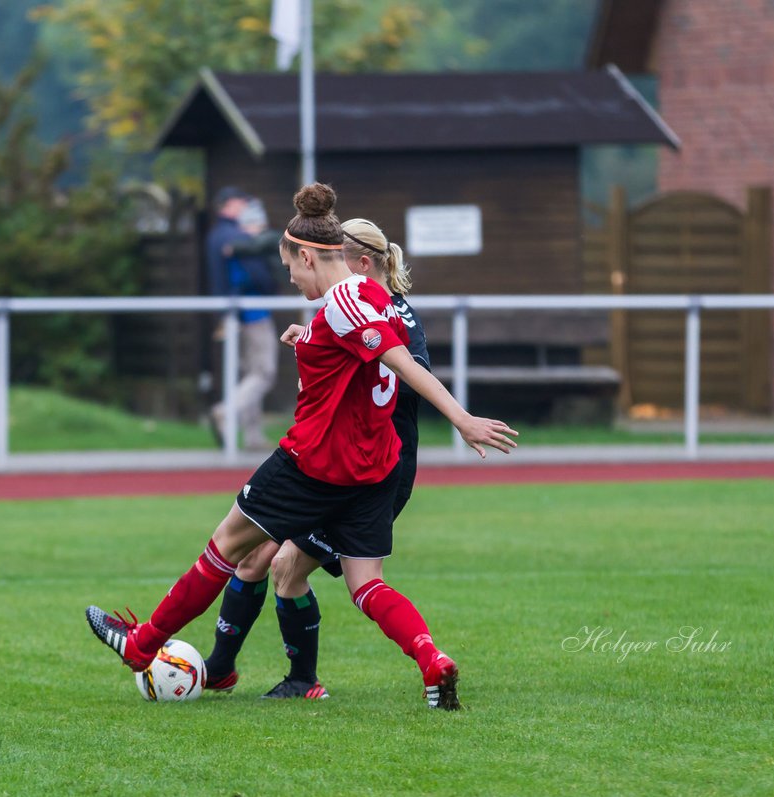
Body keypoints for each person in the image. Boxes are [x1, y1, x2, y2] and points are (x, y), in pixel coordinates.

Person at [87, 183, 518, 711]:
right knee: (366, 585)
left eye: (289, 265)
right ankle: (431, 659)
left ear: (308, 256)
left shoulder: (340, 302)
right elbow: (357, 348)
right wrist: (309, 339)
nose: (289, 277)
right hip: (372, 471)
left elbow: (400, 363)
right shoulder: (372, 294)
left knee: (224, 547)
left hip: (313, 465)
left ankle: (141, 645)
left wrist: (462, 419)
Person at [201, 216, 429, 701]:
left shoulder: (386, 314)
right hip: (339, 461)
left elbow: (399, 374)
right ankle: (223, 668)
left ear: (361, 263)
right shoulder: (356, 306)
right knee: (259, 557)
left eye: (336, 258)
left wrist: (459, 416)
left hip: (366, 470)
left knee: (283, 565)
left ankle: (299, 680)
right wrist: (312, 342)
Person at [205, 187, 279, 450]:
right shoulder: (235, 235)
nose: (245, 207)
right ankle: (227, 411)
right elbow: (256, 275)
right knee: (264, 373)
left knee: (251, 373)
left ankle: (253, 436)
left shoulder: (217, 235)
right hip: (252, 312)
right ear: (228, 205)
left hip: (235, 314)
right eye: (241, 202)